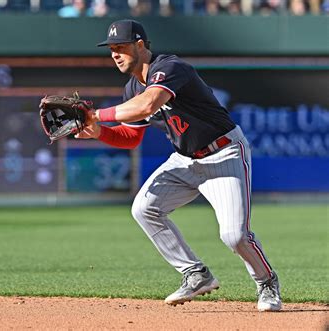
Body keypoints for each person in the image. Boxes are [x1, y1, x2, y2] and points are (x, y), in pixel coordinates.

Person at [75, 19, 282, 312]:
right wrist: (98, 132)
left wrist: (96, 115)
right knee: (144, 209)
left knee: (234, 236)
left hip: (223, 154)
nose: (115, 54)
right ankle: (195, 274)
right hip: (184, 160)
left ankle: (267, 282)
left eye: (120, 47)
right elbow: (130, 137)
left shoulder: (171, 67)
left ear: (140, 45)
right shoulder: (132, 88)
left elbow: (148, 105)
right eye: (111, 49)